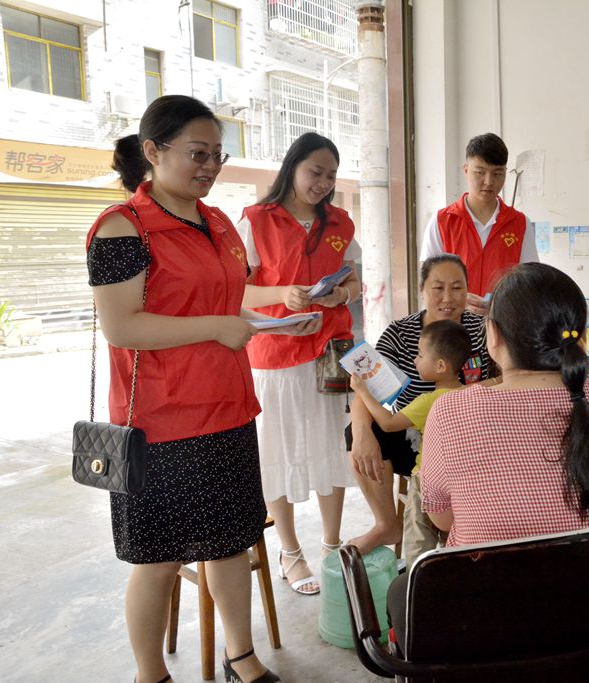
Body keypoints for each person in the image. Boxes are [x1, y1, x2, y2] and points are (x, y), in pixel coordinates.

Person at [88, 95, 314, 683]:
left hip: (228, 410)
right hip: (159, 424)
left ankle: (241, 657)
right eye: (197, 154)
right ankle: (151, 674)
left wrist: (278, 318)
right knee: (157, 560)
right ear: (152, 151)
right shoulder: (123, 228)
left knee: (230, 544)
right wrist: (216, 327)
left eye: (218, 155)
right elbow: (121, 326)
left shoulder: (217, 222)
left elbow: (224, 300)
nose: (210, 166)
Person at [420, 262, 589, 546]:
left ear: (494, 335)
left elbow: (442, 518)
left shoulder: (450, 412)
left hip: (489, 574)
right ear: (581, 337)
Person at [238, 132, 360, 596]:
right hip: (276, 357)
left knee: (333, 446)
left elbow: (357, 281)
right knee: (278, 450)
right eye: (316, 171)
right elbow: (234, 289)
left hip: (331, 352)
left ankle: (331, 545)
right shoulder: (256, 220)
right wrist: (281, 294)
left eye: (331, 175)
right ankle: (289, 551)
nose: (323, 183)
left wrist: (340, 294)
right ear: (292, 167)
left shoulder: (340, 222)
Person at [347, 255, 491, 553]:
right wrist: (361, 434)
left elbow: (511, 374)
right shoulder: (401, 333)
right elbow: (368, 385)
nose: (448, 298)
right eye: (438, 288)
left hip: (470, 439)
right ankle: (386, 524)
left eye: (457, 288)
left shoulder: (483, 330)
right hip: (414, 436)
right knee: (358, 432)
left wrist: (478, 389)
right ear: (422, 290)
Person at [350, 319, 471, 565]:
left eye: (420, 355)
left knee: (418, 542)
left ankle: (416, 580)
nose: (415, 361)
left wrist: (363, 391)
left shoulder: (428, 401)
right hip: (460, 482)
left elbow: (387, 423)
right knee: (453, 542)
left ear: (440, 365)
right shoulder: (470, 395)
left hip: (426, 481)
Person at [418, 133, 537, 315]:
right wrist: (458, 300)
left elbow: (529, 282)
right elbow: (427, 280)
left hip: (501, 322)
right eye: (480, 172)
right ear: (466, 170)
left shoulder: (520, 224)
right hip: (454, 322)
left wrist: (499, 305)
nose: (489, 182)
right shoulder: (442, 221)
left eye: (497, 173)